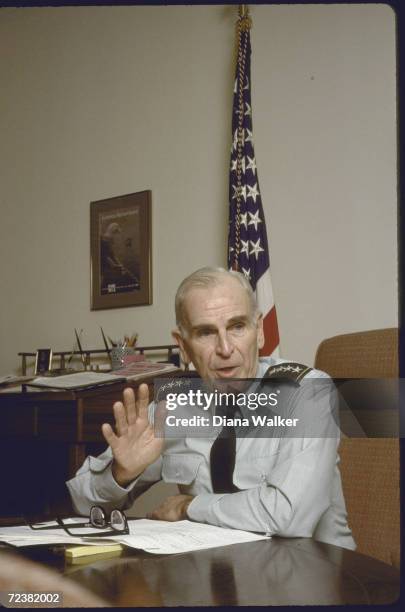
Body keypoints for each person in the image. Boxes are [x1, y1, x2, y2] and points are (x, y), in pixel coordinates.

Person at [67, 267, 355, 550]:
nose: (225, 348)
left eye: (237, 326)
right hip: (208, 579)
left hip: (313, 579)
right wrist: (121, 475)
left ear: (260, 331)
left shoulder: (307, 394)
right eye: (206, 332)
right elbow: (81, 503)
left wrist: (190, 506)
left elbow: (289, 517)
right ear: (183, 345)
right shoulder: (174, 406)